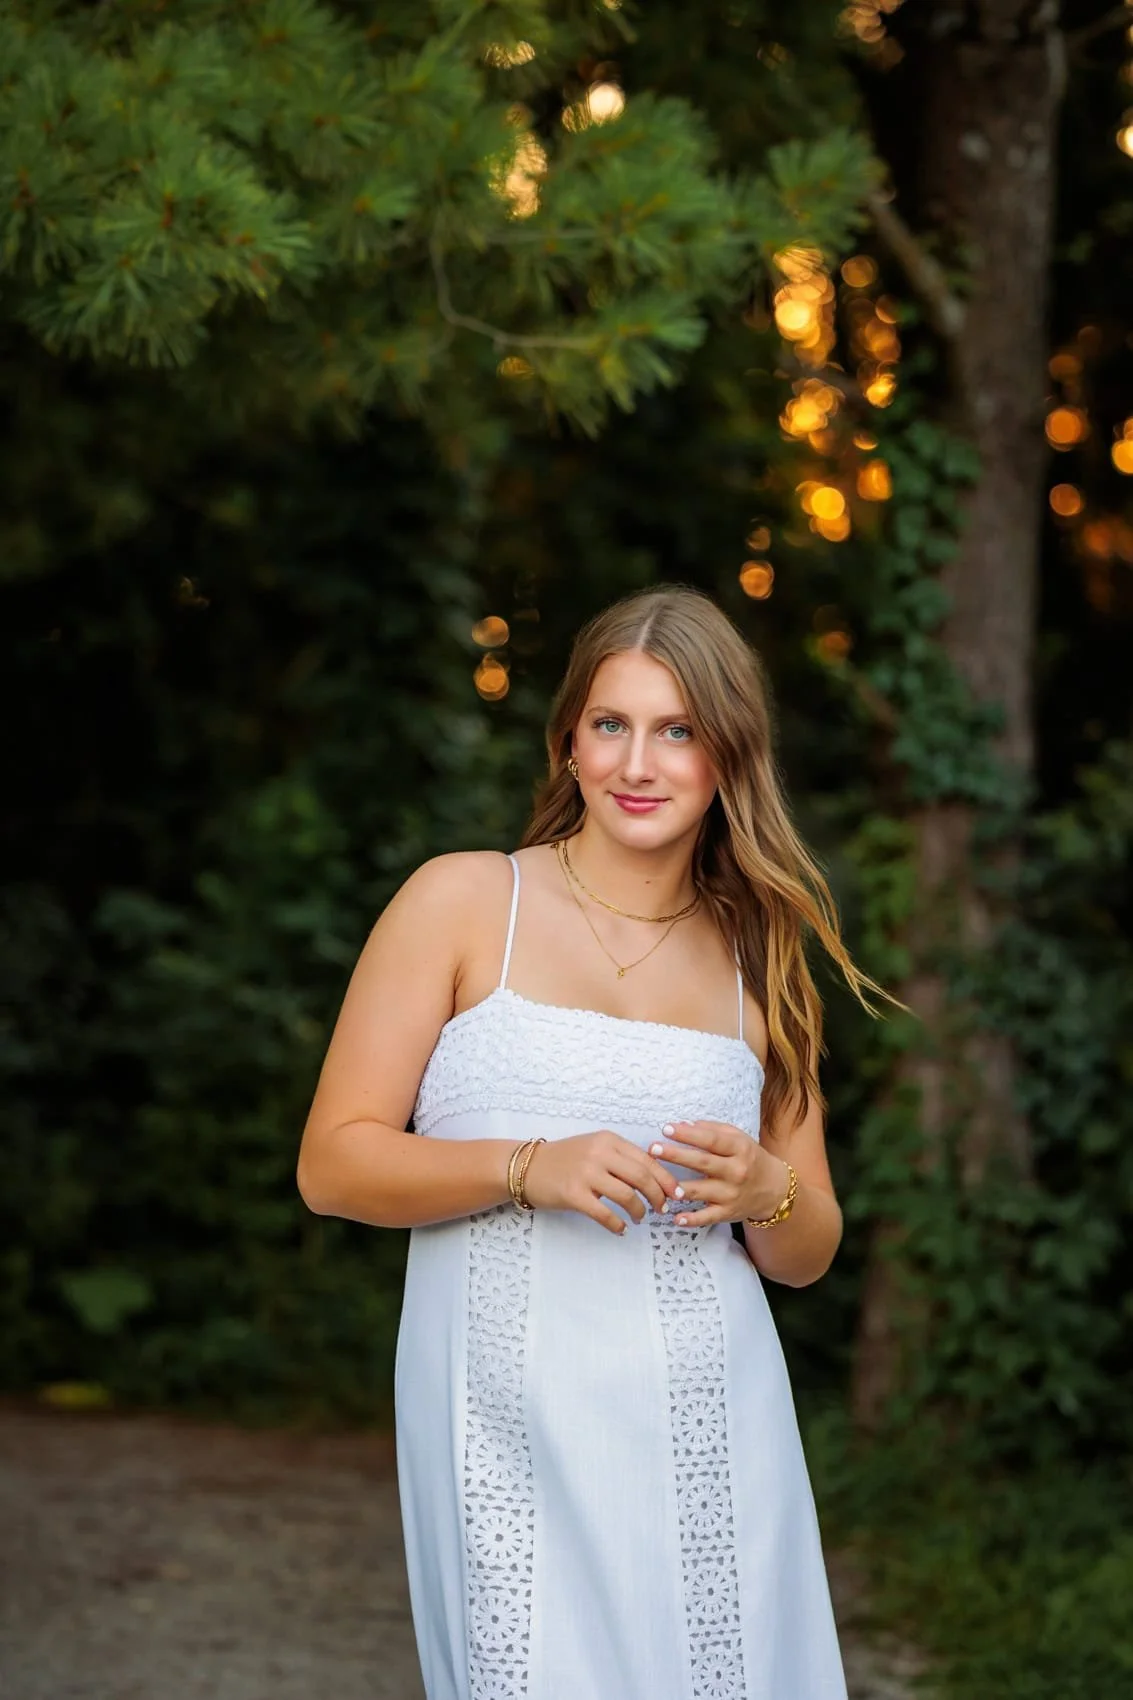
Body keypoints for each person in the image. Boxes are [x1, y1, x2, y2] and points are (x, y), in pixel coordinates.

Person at [297, 585, 894, 1700]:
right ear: (567, 740)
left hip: (711, 1426)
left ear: (727, 757)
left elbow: (805, 1248)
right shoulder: (466, 901)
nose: (639, 761)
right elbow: (333, 1161)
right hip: (498, 1414)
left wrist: (765, 1186)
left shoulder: (761, 958)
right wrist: (526, 1167)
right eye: (611, 723)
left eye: (676, 730)